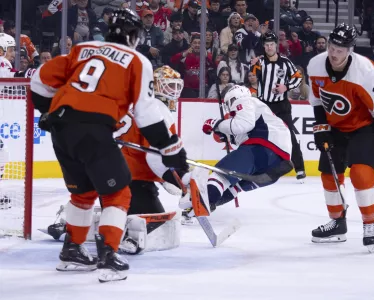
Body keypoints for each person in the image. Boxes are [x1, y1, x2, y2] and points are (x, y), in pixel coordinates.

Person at [30, 9, 188, 283]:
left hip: (61, 130)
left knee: (83, 194)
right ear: (135, 35)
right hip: (94, 130)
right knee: (118, 194)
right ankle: (108, 257)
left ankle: (72, 252)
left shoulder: (82, 49)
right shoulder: (138, 61)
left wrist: (48, 112)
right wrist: (173, 151)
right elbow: (147, 113)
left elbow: (39, 80)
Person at [45, 66, 187, 254]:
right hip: (129, 179)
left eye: (176, 86)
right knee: (154, 224)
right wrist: (179, 179)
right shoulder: (156, 110)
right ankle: (119, 238)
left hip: (104, 172)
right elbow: (155, 159)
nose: (173, 90)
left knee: (110, 205)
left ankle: (73, 227)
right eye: (168, 85)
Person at [308, 23, 374, 252]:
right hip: (335, 128)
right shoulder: (316, 65)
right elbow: (318, 102)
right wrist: (321, 127)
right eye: (331, 47)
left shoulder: (365, 71)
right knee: (329, 175)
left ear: (350, 50)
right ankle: (338, 223)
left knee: (361, 173)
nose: (334, 53)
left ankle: (370, 224)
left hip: (363, 127)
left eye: (340, 49)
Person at [180, 85, 293, 218]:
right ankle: (211, 203)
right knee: (235, 185)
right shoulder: (260, 110)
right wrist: (226, 135)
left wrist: (215, 123)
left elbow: (242, 125)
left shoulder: (245, 101)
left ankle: (203, 204)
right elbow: (243, 133)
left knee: (220, 175)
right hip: (277, 164)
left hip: (261, 149)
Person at [251, 32, 306, 182]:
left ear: (276, 45)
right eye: (266, 45)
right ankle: (257, 167)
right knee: (259, 135)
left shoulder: (285, 62)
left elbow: (298, 78)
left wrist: (285, 87)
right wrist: (253, 65)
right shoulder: (260, 62)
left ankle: (300, 168)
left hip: (281, 105)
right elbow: (251, 76)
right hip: (264, 105)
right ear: (263, 46)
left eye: (271, 44)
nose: (269, 47)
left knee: (289, 135)